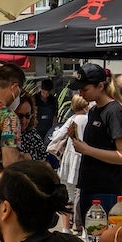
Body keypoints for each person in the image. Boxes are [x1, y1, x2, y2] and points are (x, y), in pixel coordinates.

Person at [66, 63, 122, 221]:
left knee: (101, 239)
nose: (80, 94)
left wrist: (87, 149)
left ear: (100, 86)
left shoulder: (114, 111)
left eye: (85, 89)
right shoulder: (94, 110)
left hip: (106, 189)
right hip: (89, 185)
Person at [48, 95, 90, 233]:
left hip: (70, 159)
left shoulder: (72, 119)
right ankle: (83, 227)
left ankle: (66, 228)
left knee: (68, 194)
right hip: (85, 158)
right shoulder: (89, 119)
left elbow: (57, 136)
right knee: (83, 193)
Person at [14, 91, 47, 161]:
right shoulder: (8, 135)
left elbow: (44, 157)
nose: (24, 121)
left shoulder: (33, 133)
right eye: (19, 116)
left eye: (27, 116)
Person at [34, 77, 59, 142]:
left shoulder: (53, 100)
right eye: (43, 93)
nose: (45, 95)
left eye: (47, 93)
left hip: (48, 128)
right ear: (41, 89)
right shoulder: (35, 98)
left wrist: (53, 129)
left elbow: (55, 116)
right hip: (37, 128)